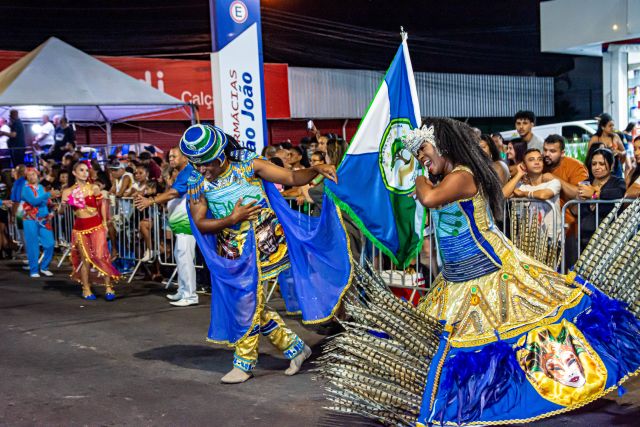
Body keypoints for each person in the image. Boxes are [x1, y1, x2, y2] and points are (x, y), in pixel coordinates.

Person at [322, 117, 640, 426]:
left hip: (489, 269)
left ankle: (538, 391)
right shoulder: (446, 177)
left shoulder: (462, 175)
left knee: (514, 335)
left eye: (424, 151)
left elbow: (429, 198)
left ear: (443, 147)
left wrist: (416, 174)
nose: (421, 159)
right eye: (418, 155)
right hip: (457, 277)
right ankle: (481, 401)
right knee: (464, 346)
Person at [180, 124, 352, 384]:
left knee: (247, 301)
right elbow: (201, 223)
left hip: (265, 243)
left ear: (220, 155)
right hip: (232, 252)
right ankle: (294, 347)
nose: (201, 169)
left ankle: (244, 363)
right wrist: (232, 219)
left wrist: (315, 170)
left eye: (206, 163)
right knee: (248, 304)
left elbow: (291, 177)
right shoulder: (197, 183)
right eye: (196, 164)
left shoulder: (249, 165)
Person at [134, 147, 199, 308]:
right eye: (169, 156)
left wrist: (151, 201)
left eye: (174, 156)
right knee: (180, 257)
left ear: (185, 158)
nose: (171, 159)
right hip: (180, 226)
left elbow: (173, 193)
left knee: (185, 258)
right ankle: (183, 290)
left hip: (186, 225)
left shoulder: (188, 172)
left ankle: (190, 295)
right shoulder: (182, 173)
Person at [62, 162, 121, 300]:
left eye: (86, 170)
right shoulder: (68, 191)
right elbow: (61, 210)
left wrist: (105, 223)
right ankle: (86, 288)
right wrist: (63, 204)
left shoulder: (94, 188)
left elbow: (102, 205)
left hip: (96, 226)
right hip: (80, 229)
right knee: (86, 259)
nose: (85, 173)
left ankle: (108, 287)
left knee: (101, 256)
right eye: (81, 170)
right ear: (74, 173)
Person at [571, 148, 626, 250]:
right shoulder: (586, 183)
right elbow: (574, 211)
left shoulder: (618, 182)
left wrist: (594, 194)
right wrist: (577, 199)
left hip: (608, 241)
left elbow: (619, 193)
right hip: (585, 240)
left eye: (602, 164)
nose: (597, 167)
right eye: (594, 164)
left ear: (611, 165)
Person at [503, 148, 562, 238]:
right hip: (528, 239)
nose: (537, 162)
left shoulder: (554, 182)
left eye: (540, 159)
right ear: (524, 165)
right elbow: (503, 195)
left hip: (551, 238)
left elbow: (543, 195)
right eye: (531, 160)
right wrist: (519, 173)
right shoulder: (522, 187)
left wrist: (524, 194)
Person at [21, 168, 58, 278]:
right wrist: (47, 195)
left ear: (38, 175)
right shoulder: (25, 189)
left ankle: (44, 267)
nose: (31, 176)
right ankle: (34, 270)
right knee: (33, 245)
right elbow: (34, 201)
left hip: (43, 219)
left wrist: (51, 203)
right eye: (29, 175)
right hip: (30, 219)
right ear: (26, 177)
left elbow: (43, 202)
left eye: (33, 174)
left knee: (50, 243)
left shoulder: (41, 187)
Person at [588, 113, 626, 178]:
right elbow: (589, 156)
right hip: (601, 169)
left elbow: (624, 152)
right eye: (610, 126)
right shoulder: (595, 138)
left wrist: (619, 153)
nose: (612, 128)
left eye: (613, 125)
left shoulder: (615, 137)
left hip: (616, 169)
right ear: (603, 127)